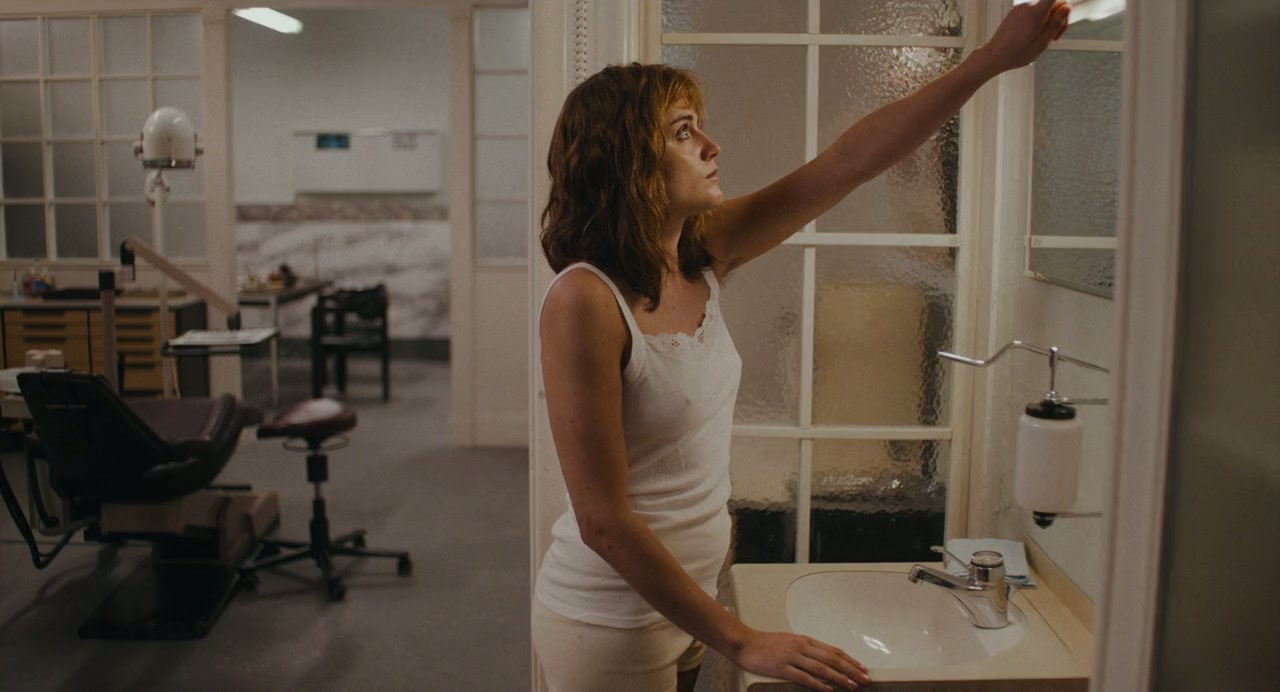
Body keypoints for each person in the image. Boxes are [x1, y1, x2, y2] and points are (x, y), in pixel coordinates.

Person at [532, 2, 1073, 690]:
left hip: (688, 602)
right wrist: (742, 640)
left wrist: (990, 61)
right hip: (608, 621)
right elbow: (603, 521)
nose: (711, 146)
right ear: (628, 160)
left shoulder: (701, 253)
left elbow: (849, 162)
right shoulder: (585, 300)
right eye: (684, 131)